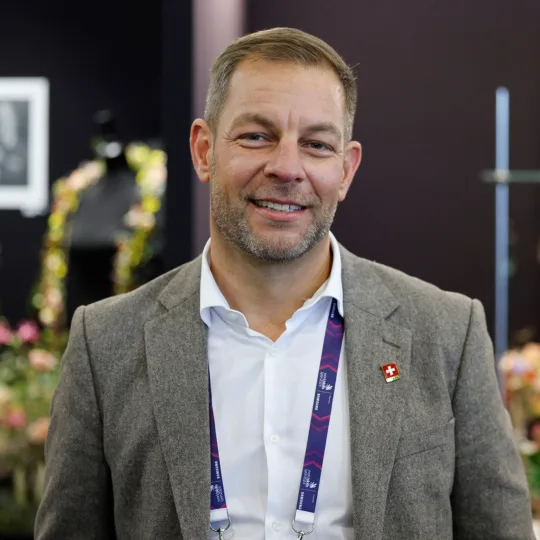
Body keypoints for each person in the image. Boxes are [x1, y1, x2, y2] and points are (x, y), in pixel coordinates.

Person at [35, 27, 534, 540]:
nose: (287, 168)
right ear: (204, 150)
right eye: (257, 136)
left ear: (346, 168)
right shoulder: (106, 344)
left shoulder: (447, 335)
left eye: (317, 144)